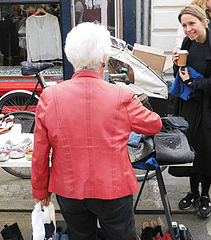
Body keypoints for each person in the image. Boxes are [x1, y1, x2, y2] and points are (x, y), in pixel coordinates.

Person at [31, 22, 162, 240]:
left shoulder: (49, 97)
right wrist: (137, 100)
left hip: (68, 188)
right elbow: (154, 124)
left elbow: (40, 151)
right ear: (104, 59)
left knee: (81, 236)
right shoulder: (121, 96)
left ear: (72, 59)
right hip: (113, 188)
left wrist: (40, 191)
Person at [172, 5, 211, 218]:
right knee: (191, 152)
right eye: (184, 25)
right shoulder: (188, 43)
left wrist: (194, 80)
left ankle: (205, 195)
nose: (188, 29)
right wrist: (176, 64)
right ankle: (193, 192)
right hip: (191, 107)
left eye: (191, 23)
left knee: (207, 154)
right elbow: (181, 72)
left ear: (204, 22)